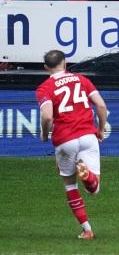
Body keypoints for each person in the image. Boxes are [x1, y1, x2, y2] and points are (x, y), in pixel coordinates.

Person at [36, 49, 108, 240]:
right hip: (87, 135)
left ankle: (87, 229)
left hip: (65, 139)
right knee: (94, 189)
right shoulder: (82, 80)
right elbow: (101, 106)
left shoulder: (44, 88)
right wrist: (100, 129)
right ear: (65, 63)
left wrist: (44, 133)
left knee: (70, 185)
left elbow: (48, 116)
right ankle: (88, 176)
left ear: (46, 68)